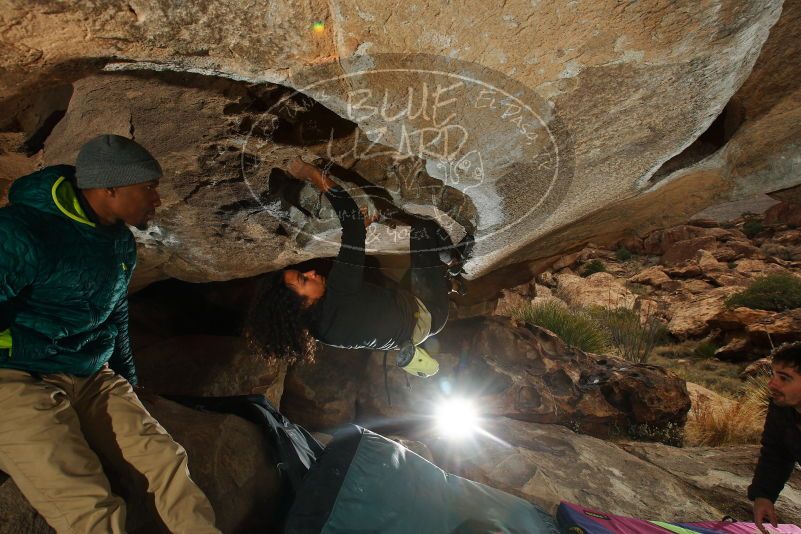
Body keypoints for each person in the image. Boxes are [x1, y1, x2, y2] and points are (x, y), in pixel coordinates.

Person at [0, 134, 220, 533]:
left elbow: (115, 312)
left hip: (88, 372)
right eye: (148, 187)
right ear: (110, 188)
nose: (157, 198)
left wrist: (129, 381)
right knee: (87, 500)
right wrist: (24, 344)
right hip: (15, 376)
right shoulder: (20, 231)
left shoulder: (119, 242)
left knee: (164, 459)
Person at [247, 159, 470, 377]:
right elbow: (351, 218)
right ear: (303, 304)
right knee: (425, 231)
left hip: (401, 315)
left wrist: (358, 234)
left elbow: (362, 309)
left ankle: (450, 283)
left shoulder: (318, 330)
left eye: (302, 273)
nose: (311, 273)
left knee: (414, 270)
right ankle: (453, 262)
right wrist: (311, 173)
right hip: (427, 312)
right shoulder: (338, 294)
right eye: (304, 280)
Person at [748, 342, 801, 533]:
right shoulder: (782, 409)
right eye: (773, 375)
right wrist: (764, 496)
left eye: (784, 378)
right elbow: (777, 452)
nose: (772, 384)